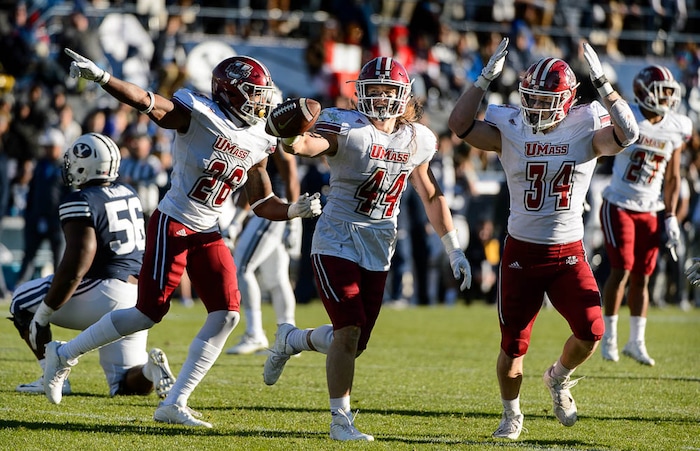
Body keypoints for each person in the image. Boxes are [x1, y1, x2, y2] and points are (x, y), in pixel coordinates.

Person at [42, 48, 322, 428]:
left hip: (207, 230)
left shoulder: (260, 137)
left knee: (226, 314)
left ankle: (175, 403)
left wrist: (293, 210)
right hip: (173, 222)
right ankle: (65, 354)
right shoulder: (198, 114)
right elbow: (145, 101)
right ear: (231, 92)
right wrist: (103, 78)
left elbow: (262, 199)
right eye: (255, 93)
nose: (262, 102)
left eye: (263, 94)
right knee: (148, 313)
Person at [263, 56, 472, 441]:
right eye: (371, 91)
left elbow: (429, 193)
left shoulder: (418, 138)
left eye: (386, 91)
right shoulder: (347, 126)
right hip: (336, 237)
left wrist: (453, 247)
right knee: (348, 330)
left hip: (380, 243)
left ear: (402, 96)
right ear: (359, 94)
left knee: (355, 342)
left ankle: (292, 339)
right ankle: (340, 421)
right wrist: (290, 135)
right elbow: (308, 145)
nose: (378, 98)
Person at [447, 38, 639, 439]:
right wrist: (483, 78)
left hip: (568, 252)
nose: (535, 107)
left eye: (545, 99)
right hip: (521, 252)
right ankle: (511, 413)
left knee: (592, 330)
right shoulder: (511, 127)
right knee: (513, 347)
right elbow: (460, 125)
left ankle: (558, 377)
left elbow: (629, 134)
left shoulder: (585, 126)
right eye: (531, 98)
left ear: (568, 101)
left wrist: (602, 81)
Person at [10, 133, 175, 400]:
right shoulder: (128, 192)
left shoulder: (80, 200)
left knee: (20, 301)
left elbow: (77, 264)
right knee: (123, 384)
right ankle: (148, 371)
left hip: (102, 290)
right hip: (135, 295)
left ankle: (51, 374)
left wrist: (44, 313)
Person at [599, 65, 692, 366]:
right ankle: (609, 337)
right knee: (621, 269)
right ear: (642, 91)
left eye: (669, 92)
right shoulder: (629, 118)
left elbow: (673, 177)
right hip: (620, 203)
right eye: (661, 91)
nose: (666, 98)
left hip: (650, 209)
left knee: (643, 277)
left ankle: (636, 342)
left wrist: (671, 216)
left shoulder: (677, 126)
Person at [225, 144, 302, 355]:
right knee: (276, 278)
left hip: (277, 208)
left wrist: (293, 220)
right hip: (275, 208)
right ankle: (289, 338)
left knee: (242, 267)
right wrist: (236, 220)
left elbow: (291, 174)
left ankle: (254, 333)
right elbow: (254, 183)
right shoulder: (259, 135)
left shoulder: (275, 135)